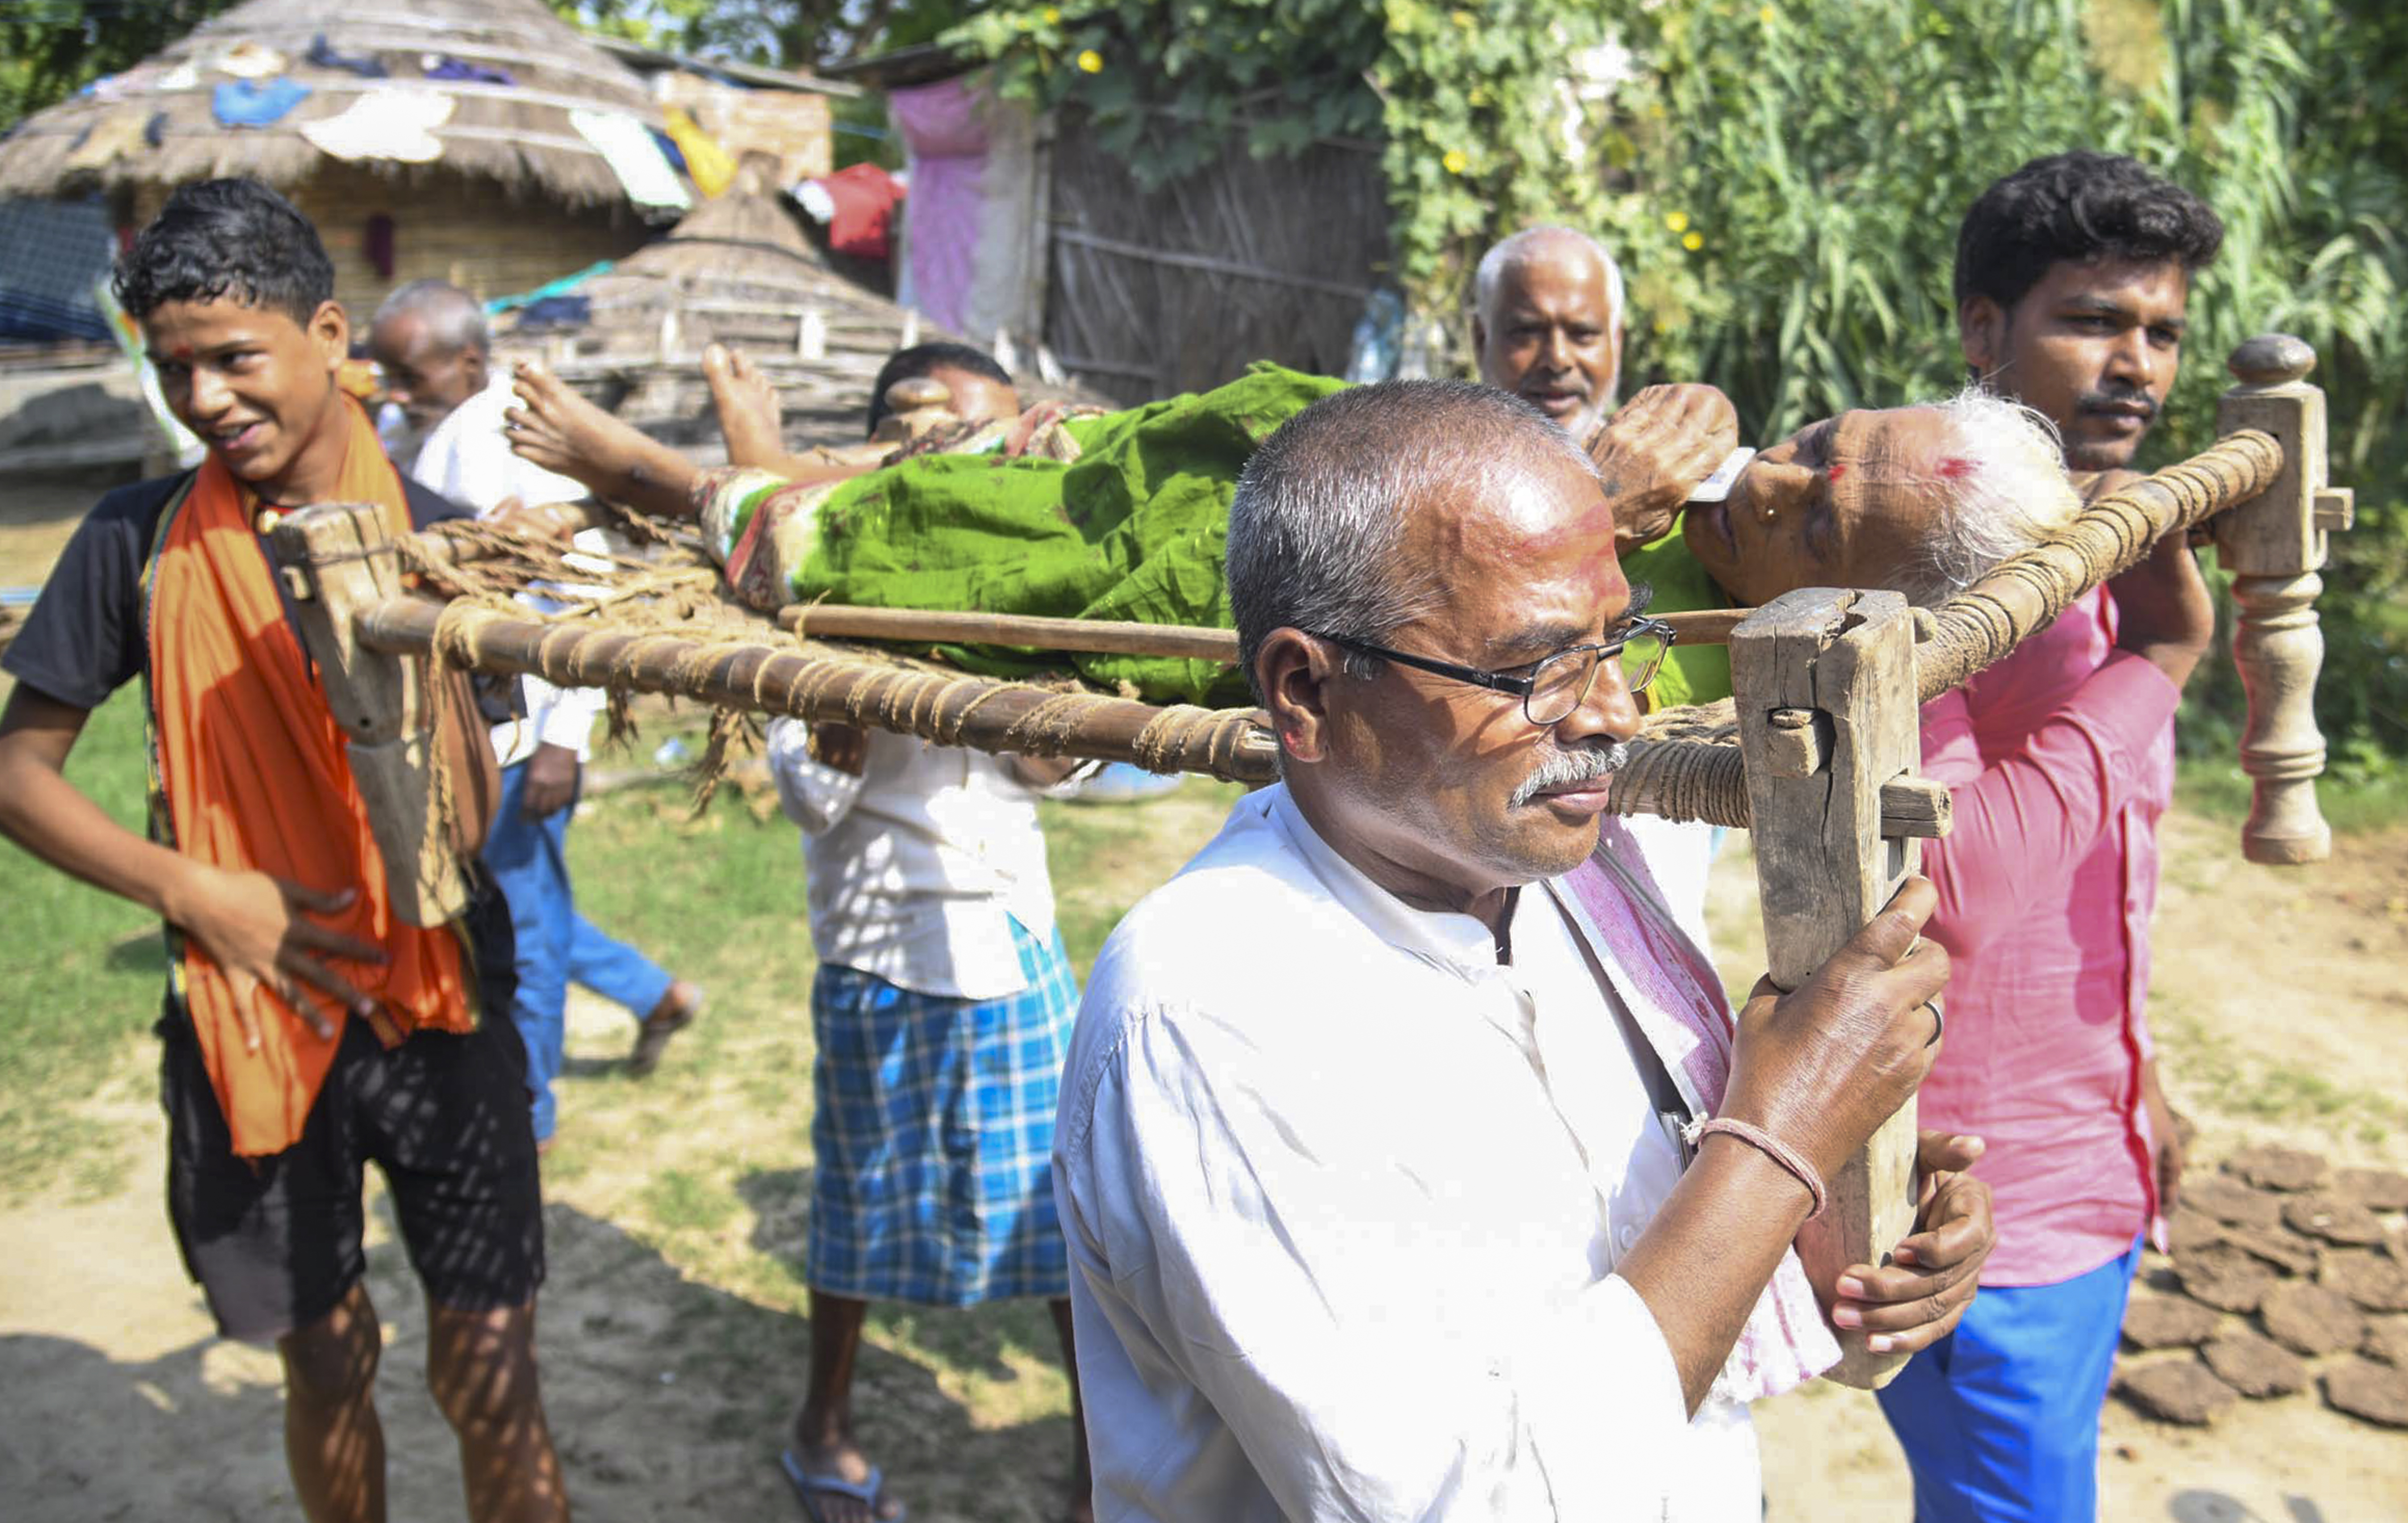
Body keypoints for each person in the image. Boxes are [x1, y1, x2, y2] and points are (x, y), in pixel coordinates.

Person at [1055, 378, 1999, 1520]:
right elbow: (1460, 1501)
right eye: (1538, 668)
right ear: (1305, 690)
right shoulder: (1211, 1011)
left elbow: (1654, 1275)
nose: (1614, 712)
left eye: (1618, 641)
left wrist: (1840, 1208)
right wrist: (1780, 1141)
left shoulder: (1576, 874)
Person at [0, 179, 565, 1522]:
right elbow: (19, 771)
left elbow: (481, 787)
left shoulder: (444, 537)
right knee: (326, 1355)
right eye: (174, 366)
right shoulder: (133, 543)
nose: (204, 396)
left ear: (328, 335)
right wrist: (204, 893)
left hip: (439, 987)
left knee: (492, 1366)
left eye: (234, 357)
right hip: (246, 1000)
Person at [1879, 150, 2224, 1523]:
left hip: (2093, 1162)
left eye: (2162, 332)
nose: (2135, 363)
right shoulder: (1927, 546)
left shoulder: (2116, 538)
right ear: (1983, 332)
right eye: (2092, 319)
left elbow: (2097, 883)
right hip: (1973, 1208)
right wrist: (2168, 655)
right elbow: (1946, 883)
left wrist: (2137, 1090)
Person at [370, 280, 704, 1132]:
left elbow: (583, 589)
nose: (394, 392)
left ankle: (530, 1109)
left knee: (519, 914)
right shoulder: (412, 431)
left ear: (469, 363)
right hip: (457, 723)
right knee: (512, 895)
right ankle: (652, 993)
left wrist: (564, 737)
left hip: (520, 734)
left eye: (410, 375)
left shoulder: (506, 443)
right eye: (388, 376)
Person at [1472, 225, 1736, 948]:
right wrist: (1602, 513)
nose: (1558, 360)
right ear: (1479, 338)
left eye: (1583, 334)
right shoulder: (1440, 484)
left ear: (1617, 342)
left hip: (1657, 879)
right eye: (1526, 331)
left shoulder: (1688, 501)